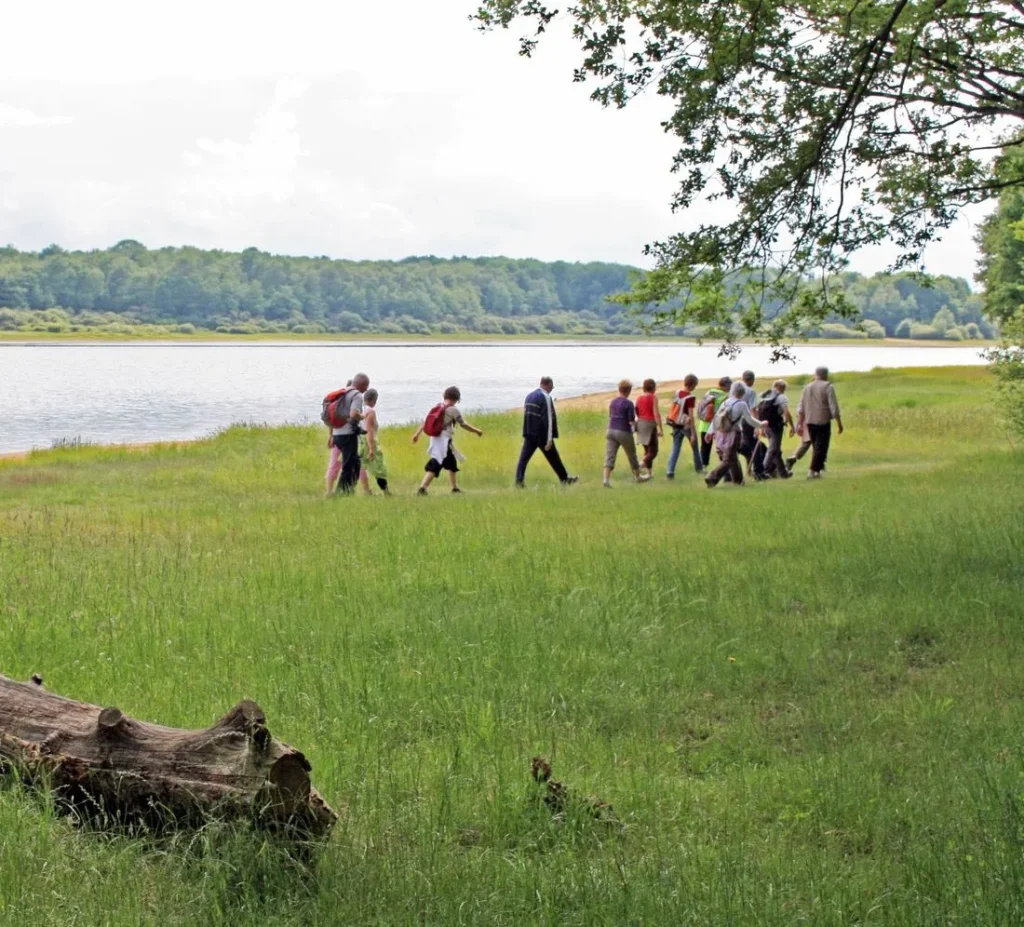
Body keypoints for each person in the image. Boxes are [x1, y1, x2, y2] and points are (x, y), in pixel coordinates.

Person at [412, 386, 483, 495]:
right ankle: (422, 488)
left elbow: (425, 422)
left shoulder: (438, 406)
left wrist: (417, 434)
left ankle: (454, 488)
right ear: (456, 398)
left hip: (437, 439)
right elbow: (463, 424)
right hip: (443, 441)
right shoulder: (453, 410)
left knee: (451, 463)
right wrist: (477, 431)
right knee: (435, 464)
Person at [515, 376, 578, 488]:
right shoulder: (546, 397)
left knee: (523, 459)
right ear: (548, 385)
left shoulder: (529, 396)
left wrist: (525, 433)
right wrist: (549, 440)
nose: (551, 389)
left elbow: (526, 415)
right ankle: (564, 479)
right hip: (542, 436)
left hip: (529, 434)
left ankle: (519, 482)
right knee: (554, 458)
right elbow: (548, 419)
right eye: (551, 387)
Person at [705, 381, 768, 487]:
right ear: (742, 392)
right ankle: (712, 478)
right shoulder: (741, 404)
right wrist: (761, 424)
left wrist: (709, 432)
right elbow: (750, 420)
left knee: (732, 458)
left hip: (721, 433)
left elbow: (716, 418)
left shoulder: (726, 402)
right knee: (728, 459)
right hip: (733, 434)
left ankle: (738, 481)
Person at [789, 367, 844, 479]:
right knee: (821, 447)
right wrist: (839, 422)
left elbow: (801, 407)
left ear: (815, 374)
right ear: (826, 374)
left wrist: (799, 423)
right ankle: (812, 471)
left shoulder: (807, 387)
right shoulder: (828, 386)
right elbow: (833, 406)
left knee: (816, 446)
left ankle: (817, 471)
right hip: (823, 421)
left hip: (809, 421)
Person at [603, 379, 648, 488]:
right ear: (629, 391)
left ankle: (606, 479)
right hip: (623, 431)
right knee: (632, 455)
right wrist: (636, 428)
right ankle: (638, 477)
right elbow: (631, 421)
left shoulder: (613, 402)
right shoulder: (628, 404)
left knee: (610, 456)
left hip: (611, 430)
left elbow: (610, 416)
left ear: (619, 390)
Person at [330, 372, 369, 494]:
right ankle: (340, 492)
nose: (366, 389)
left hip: (337, 433)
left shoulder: (342, 392)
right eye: (366, 386)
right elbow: (353, 414)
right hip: (348, 434)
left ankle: (350, 489)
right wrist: (362, 416)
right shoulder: (357, 395)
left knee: (356, 462)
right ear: (361, 385)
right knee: (348, 465)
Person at [665, 373, 704, 478]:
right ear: (693, 385)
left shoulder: (677, 392)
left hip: (675, 424)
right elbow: (691, 416)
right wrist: (693, 434)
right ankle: (699, 469)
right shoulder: (690, 397)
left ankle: (670, 471)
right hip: (686, 425)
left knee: (675, 448)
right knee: (695, 447)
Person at [756, 379, 796, 479]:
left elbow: (758, 411)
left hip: (765, 425)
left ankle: (783, 473)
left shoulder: (765, 395)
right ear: (782, 387)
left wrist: (759, 427)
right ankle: (762, 472)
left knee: (776, 450)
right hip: (776, 426)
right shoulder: (781, 397)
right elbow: (786, 413)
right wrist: (792, 426)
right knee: (773, 449)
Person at [357, 388, 390, 495]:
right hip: (368, 441)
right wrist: (371, 448)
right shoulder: (370, 411)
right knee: (379, 468)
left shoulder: (358, 409)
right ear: (374, 399)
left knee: (362, 466)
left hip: (359, 441)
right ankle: (386, 492)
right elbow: (369, 430)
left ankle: (366, 490)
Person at [697, 377, 732, 469]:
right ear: (726, 386)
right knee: (721, 446)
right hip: (717, 425)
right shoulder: (725, 396)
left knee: (705, 447)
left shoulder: (709, 392)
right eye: (730, 386)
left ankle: (703, 467)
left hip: (704, 424)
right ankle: (724, 465)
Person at [634, 378, 664, 478]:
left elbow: (637, 412)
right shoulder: (653, 397)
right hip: (649, 424)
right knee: (653, 451)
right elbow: (656, 413)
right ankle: (638, 466)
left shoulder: (639, 398)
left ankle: (649, 474)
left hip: (640, 423)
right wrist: (660, 428)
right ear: (653, 387)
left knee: (647, 451)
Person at [738, 370, 760, 475]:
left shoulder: (735, 389)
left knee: (742, 445)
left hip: (735, 420)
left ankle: (748, 470)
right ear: (752, 380)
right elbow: (753, 409)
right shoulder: (750, 391)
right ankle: (758, 472)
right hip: (747, 421)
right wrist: (757, 426)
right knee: (754, 446)